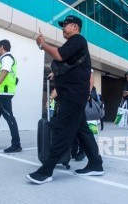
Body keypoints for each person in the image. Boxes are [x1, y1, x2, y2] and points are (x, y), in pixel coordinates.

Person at [27, 15, 103, 184]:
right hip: (72, 94)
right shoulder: (74, 44)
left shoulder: (78, 39)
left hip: (74, 94)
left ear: (75, 27)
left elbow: (60, 55)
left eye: (65, 25)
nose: (63, 28)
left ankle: (46, 170)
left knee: (63, 129)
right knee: (81, 129)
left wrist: (42, 44)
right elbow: (69, 64)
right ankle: (96, 164)